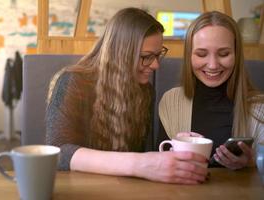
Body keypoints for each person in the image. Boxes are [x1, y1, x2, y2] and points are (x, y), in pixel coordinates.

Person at [46, 7, 208, 184]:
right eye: (146, 56)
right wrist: (140, 163)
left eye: (158, 55)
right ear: (120, 53)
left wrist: (176, 151)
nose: (155, 65)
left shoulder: (145, 91)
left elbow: (142, 154)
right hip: (80, 188)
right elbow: (58, 152)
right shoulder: (74, 81)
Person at [158, 11, 264, 170]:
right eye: (201, 54)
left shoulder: (260, 108)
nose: (213, 65)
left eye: (224, 54)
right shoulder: (171, 102)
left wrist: (251, 164)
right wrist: (174, 150)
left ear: (236, 55)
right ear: (189, 56)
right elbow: (159, 164)